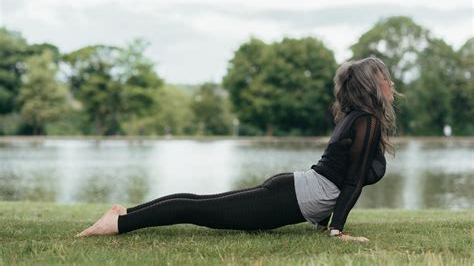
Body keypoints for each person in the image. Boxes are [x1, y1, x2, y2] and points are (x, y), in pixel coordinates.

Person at [76, 56, 399, 242]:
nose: (391, 85)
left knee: (199, 204)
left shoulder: (359, 118)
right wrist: (336, 230)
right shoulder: (365, 120)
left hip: (296, 191)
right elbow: (351, 180)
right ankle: (119, 223)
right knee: (198, 208)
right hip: (295, 195)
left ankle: (124, 215)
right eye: (386, 80)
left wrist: (323, 220)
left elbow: (339, 174)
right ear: (372, 86)